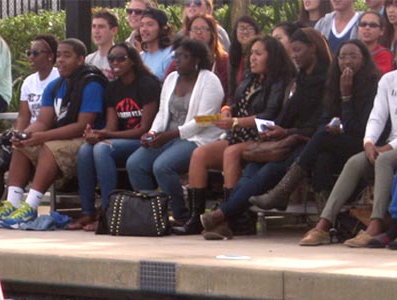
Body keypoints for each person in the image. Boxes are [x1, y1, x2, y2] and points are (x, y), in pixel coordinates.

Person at [200, 27, 331, 239]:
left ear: (312, 49)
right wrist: (273, 131)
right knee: (252, 167)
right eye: (293, 50)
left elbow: (319, 123)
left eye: (298, 50)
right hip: (284, 137)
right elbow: (285, 115)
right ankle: (228, 221)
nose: (294, 55)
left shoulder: (326, 80)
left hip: (307, 141)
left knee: (270, 169)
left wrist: (285, 130)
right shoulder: (300, 81)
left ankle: (221, 215)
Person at [174, 35, 294, 234]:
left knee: (230, 153)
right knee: (200, 155)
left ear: (272, 57)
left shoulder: (280, 81)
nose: (252, 58)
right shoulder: (250, 77)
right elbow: (234, 100)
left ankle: (233, 218)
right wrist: (227, 109)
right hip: (238, 134)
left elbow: (270, 116)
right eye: (250, 54)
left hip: (264, 137)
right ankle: (195, 218)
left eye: (258, 54)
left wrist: (236, 122)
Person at [0, 38, 107, 229]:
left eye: (67, 56)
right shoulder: (55, 86)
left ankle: (30, 207)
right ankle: (12, 204)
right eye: (59, 55)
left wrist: (43, 137)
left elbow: (83, 125)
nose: (61, 60)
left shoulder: (91, 84)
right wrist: (24, 135)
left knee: (48, 146)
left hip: (86, 140)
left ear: (81, 60)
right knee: (21, 146)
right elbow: (42, 122)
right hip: (61, 138)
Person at [250, 40, 379, 212]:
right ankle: (327, 216)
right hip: (337, 143)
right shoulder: (333, 83)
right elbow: (324, 119)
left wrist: (346, 98)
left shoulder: (373, 86)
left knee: (322, 139)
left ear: (363, 60)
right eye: (342, 57)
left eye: (353, 56)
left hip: (366, 144)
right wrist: (331, 126)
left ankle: (283, 190)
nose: (347, 61)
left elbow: (361, 129)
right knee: (322, 157)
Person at [129, 39, 224, 227]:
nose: (177, 60)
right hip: (167, 136)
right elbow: (163, 112)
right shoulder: (171, 78)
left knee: (162, 166)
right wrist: (153, 133)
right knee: (135, 163)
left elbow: (204, 120)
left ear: (197, 59)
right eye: (176, 56)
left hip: (196, 138)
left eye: (183, 56)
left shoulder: (209, 80)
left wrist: (170, 136)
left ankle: (181, 214)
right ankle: (153, 214)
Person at [299, 66, 397, 246]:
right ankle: (323, 225)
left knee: (383, 160)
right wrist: (368, 142)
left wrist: (389, 147)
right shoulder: (388, 80)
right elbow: (377, 117)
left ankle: (375, 225)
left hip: (392, 147)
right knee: (354, 162)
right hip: (389, 144)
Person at [69, 43, 160, 231]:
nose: (115, 63)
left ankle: (109, 213)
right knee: (86, 148)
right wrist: (96, 135)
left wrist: (105, 135)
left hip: (145, 141)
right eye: (111, 59)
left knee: (103, 148)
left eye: (121, 58)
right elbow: (111, 126)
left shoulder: (147, 84)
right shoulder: (112, 88)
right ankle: (87, 211)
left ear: (133, 61)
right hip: (122, 139)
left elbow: (144, 128)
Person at [0, 35, 59, 208]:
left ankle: (12, 204)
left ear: (50, 56)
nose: (31, 57)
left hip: (47, 133)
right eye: (29, 52)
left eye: (36, 53)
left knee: (21, 147)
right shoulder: (29, 82)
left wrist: (27, 135)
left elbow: (52, 118)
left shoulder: (58, 78)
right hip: (30, 131)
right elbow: (24, 116)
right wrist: (18, 133)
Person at [184, 14, 230, 100]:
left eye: (203, 29)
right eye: (195, 29)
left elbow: (227, 93)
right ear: (189, 33)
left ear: (212, 33)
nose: (198, 32)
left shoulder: (223, 60)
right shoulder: (179, 59)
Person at [228, 16, 261, 96]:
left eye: (250, 28)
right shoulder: (233, 55)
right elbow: (231, 88)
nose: (245, 32)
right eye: (241, 28)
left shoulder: (260, 56)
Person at [139, 8, 175, 79]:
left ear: (162, 28)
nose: (144, 29)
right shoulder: (141, 57)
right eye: (142, 25)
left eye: (150, 24)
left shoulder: (170, 56)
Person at [86, 10, 120, 79]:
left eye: (101, 27)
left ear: (114, 30)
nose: (96, 31)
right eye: (94, 26)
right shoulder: (89, 60)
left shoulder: (121, 59)